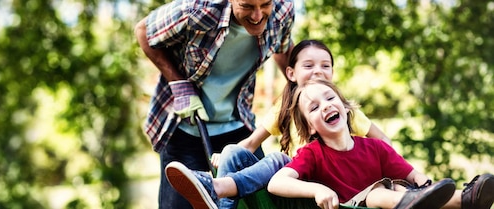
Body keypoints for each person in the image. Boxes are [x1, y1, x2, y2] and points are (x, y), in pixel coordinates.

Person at [164, 39, 393, 209]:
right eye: (309, 65)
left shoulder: (339, 108)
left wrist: (375, 169)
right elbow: (252, 143)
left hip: (322, 182)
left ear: (332, 72)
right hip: (291, 185)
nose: (318, 71)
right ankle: (220, 203)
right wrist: (223, 156)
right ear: (291, 73)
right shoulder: (284, 108)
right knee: (232, 151)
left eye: (325, 66)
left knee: (279, 159)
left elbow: (383, 141)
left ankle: (216, 188)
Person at [134, 0, 296, 207]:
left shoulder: (282, 10)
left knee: (261, 201)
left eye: (264, 4)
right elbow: (144, 31)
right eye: (247, 6)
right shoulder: (197, 10)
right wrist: (179, 84)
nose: (257, 16)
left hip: (238, 127)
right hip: (186, 130)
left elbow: (283, 49)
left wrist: (304, 89)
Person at [266, 79, 494, 209]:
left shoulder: (376, 147)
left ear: (345, 107)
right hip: (354, 207)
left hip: (395, 201)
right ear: (311, 128)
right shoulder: (313, 153)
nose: (325, 106)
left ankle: (466, 200)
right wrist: (317, 190)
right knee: (377, 192)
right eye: (314, 108)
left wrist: (428, 188)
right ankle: (408, 202)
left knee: (402, 186)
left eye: (330, 98)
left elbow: (417, 177)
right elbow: (276, 183)